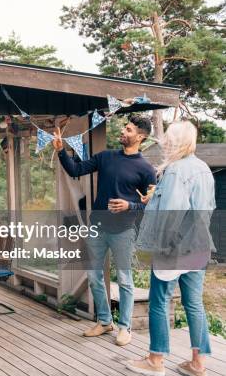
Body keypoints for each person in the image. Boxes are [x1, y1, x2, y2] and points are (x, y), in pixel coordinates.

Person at [52, 115, 156, 346]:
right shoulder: (107, 157)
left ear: (140, 136)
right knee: (93, 276)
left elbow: (152, 204)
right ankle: (104, 321)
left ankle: (124, 327)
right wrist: (61, 151)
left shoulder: (147, 170)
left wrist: (131, 205)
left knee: (126, 280)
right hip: (97, 227)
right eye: (124, 127)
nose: (123, 131)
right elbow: (75, 169)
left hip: (124, 231)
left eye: (128, 129)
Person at [126, 121, 215, 376]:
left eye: (168, 138)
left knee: (158, 301)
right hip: (198, 246)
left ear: (175, 141)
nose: (164, 142)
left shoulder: (175, 171)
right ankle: (198, 364)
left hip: (174, 249)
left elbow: (170, 215)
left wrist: (157, 247)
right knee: (194, 304)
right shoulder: (203, 169)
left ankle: (155, 360)